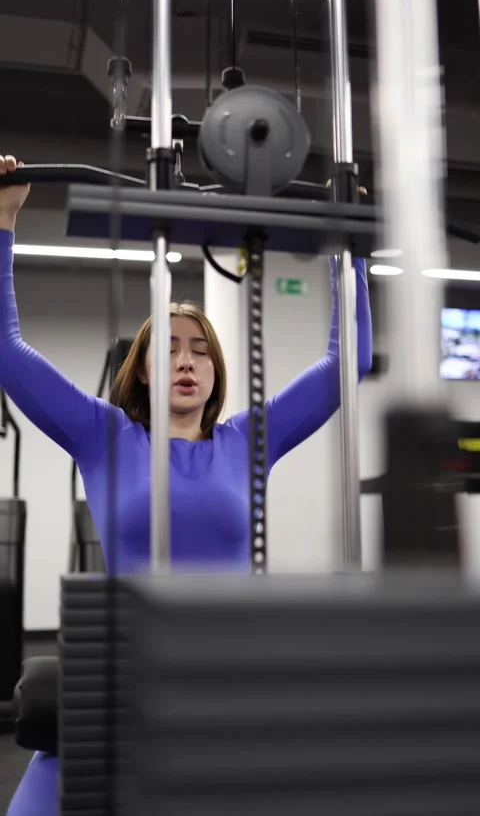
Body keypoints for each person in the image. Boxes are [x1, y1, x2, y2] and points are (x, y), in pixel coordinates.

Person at [0, 153, 372, 815]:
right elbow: (6, 351)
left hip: (224, 678)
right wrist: (4, 221)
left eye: (200, 349)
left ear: (217, 370)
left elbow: (349, 361)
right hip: (122, 677)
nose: (186, 360)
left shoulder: (249, 440)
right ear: (141, 369)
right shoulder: (103, 435)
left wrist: (352, 251)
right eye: (168, 348)